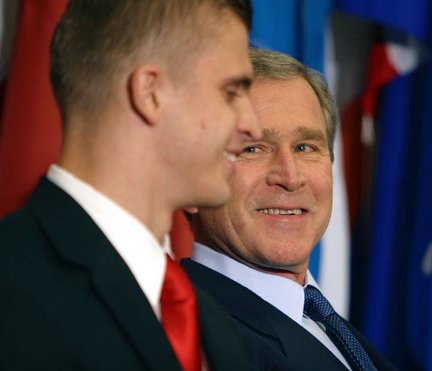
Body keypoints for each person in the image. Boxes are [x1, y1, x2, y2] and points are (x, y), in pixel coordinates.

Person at [0, 1, 261, 370]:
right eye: (231, 91)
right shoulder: (10, 291)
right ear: (150, 93)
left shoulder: (213, 321)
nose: (253, 126)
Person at [182, 48, 397, 371]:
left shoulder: (328, 326)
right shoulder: (185, 335)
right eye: (252, 148)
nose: (291, 177)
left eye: (305, 147)